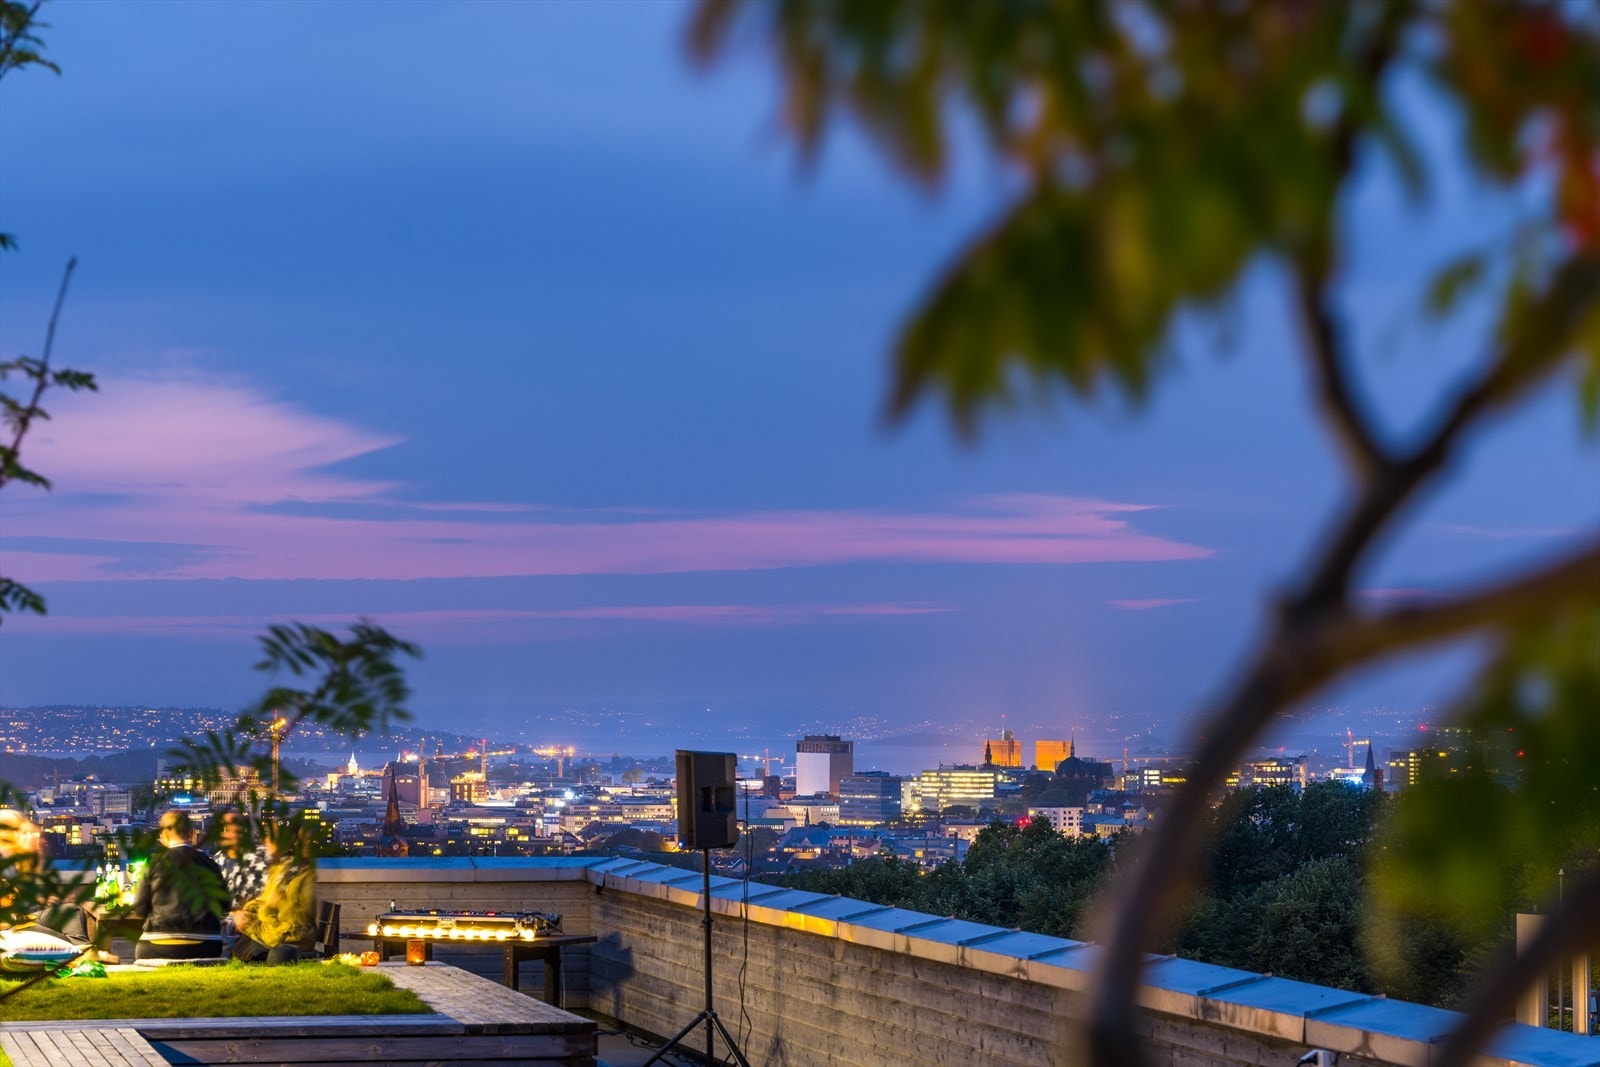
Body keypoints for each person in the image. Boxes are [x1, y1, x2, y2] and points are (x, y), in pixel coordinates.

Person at [132, 809, 226, 961]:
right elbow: (223, 906)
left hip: (159, 944)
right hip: (207, 944)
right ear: (190, 833)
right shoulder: (210, 864)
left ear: (164, 834)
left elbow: (140, 909)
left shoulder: (154, 862)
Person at [231, 824, 315, 964]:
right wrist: (247, 911)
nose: (266, 842)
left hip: (282, 936)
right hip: (277, 930)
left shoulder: (290, 869)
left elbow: (278, 914)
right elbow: (266, 902)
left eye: (270, 838)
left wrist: (250, 920)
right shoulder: (279, 867)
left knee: (230, 934)